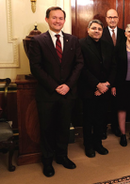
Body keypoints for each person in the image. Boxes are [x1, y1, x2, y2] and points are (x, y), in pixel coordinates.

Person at [28, 6, 84, 177]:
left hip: (68, 94)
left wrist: (68, 85)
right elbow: (35, 67)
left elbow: (79, 64)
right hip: (47, 94)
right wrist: (55, 86)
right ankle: (47, 161)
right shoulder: (38, 41)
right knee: (47, 128)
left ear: (64, 21)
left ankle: (62, 156)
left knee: (63, 127)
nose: (58, 21)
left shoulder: (73, 40)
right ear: (47, 19)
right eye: (54, 18)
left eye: (61, 18)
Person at [79, 19, 116, 158]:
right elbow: (81, 67)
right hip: (89, 89)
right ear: (88, 30)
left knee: (101, 119)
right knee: (88, 119)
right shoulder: (81, 44)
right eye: (94, 28)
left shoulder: (107, 44)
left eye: (99, 29)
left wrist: (107, 85)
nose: (97, 31)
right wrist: (97, 84)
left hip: (104, 90)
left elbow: (114, 66)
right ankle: (88, 145)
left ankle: (98, 143)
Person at [111, 24, 130, 147]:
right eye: (129, 31)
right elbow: (114, 67)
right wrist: (113, 85)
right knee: (122, 109)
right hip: (121, 83)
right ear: (125, 33)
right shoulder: (118, 48)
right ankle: (123, 134)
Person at [101, 8, 126, 138]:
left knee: (118, 104)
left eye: (115, 17)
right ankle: (103, 128)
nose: (112, 20)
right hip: (105, 76)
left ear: (118, 18)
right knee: (104, 105)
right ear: (106, 19)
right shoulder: (101, 32)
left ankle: (116, 127)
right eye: (110, 17)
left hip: (121, 76)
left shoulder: (124, 33)